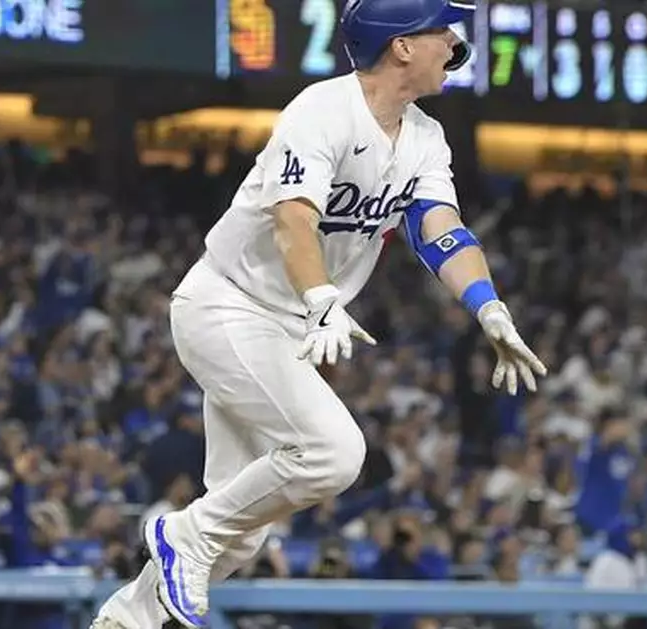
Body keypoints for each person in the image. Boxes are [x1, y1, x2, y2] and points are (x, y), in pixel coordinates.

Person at [90, 1, 546, 627]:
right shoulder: (322, 110)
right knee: (333, 453)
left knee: (242, 532)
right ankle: (180, 535)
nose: (455, 41)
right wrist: (322, 299)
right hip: (229, 305)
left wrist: (487, 306)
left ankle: (124, 621)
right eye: (441, 30)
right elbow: (294, 218)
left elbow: (440, 229)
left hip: (282, 329)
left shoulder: (424, 137)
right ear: (402, 46)